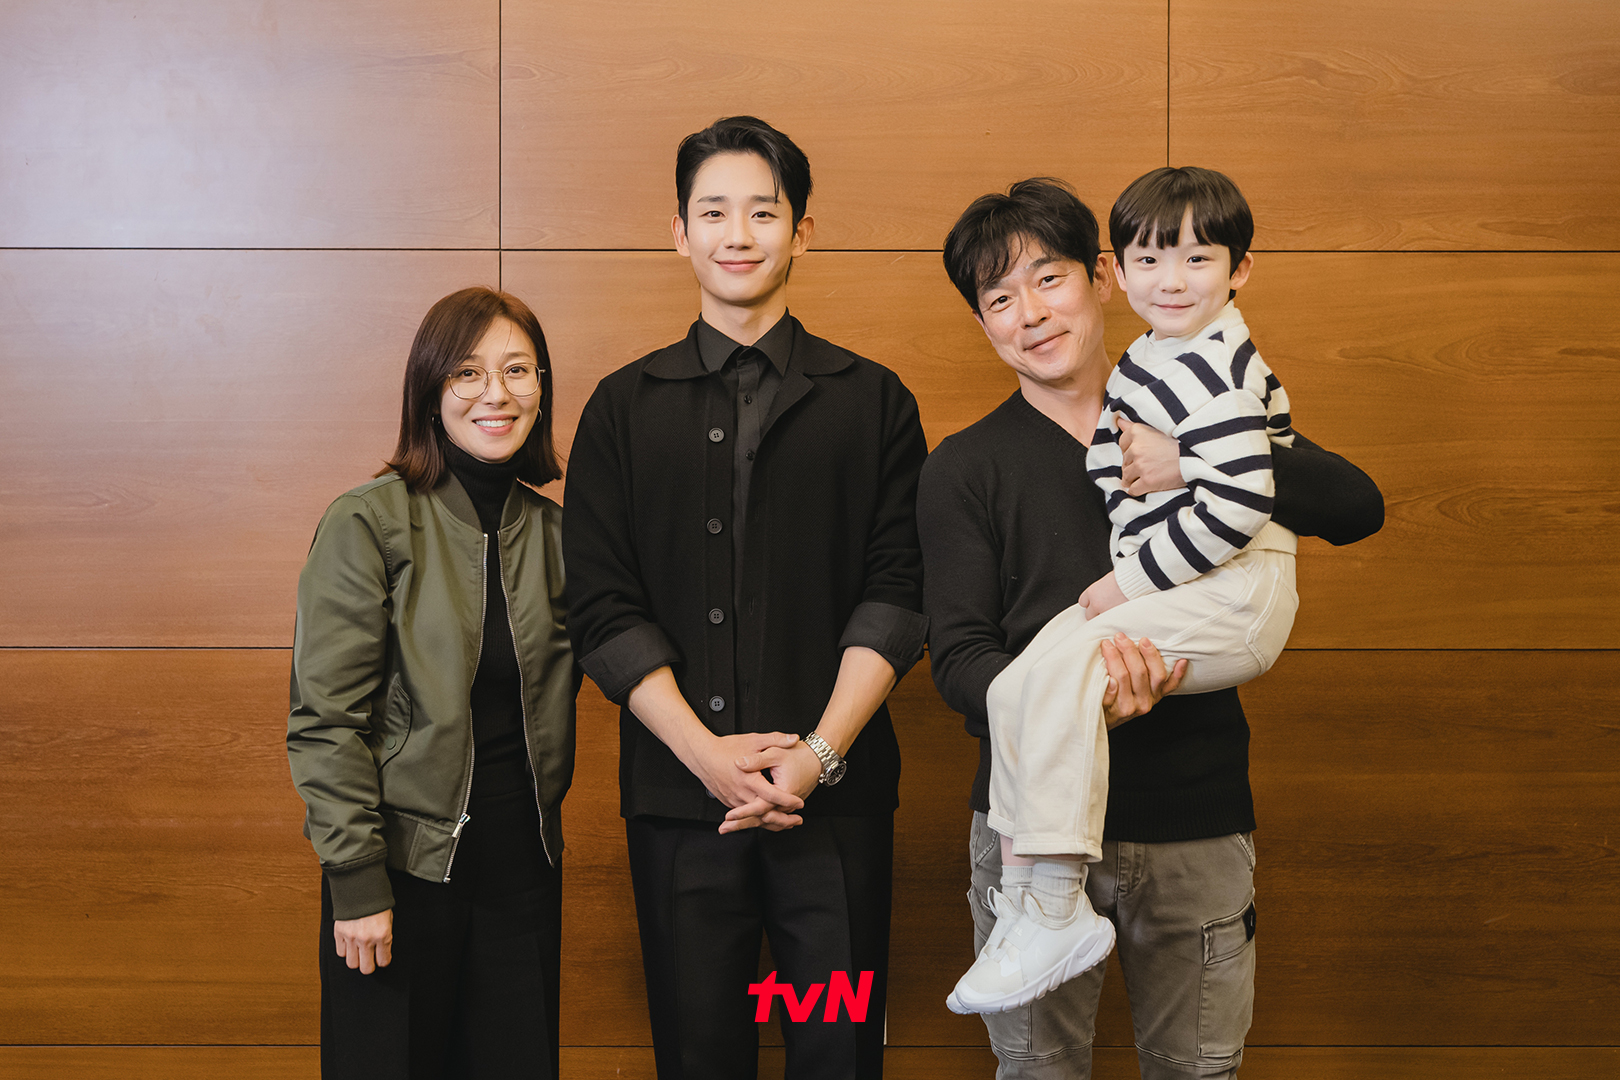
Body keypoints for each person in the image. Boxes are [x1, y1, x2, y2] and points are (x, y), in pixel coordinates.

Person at [919, 179, 1383, 1078]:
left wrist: (1188, 458)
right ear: (983, 324)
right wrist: (1087, 699)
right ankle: (1044, 913)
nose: (1030, 314)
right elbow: (961, 663)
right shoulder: (964, 467)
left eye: (1048, 280)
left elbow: (1355, 505)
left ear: (1103, 278)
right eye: (999, 299)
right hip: (1026, 834)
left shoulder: (1197, 392)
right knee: (1039, 1074)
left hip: (1190, 818)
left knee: (1197, 1070)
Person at [563, 115, 927, 1080]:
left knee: (835, 1052)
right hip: (683, 816)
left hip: (832, 817)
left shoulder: (874, 401)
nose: (738, 233)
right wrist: (706, 757)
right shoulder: (620, 408)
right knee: (700, 1054)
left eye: (762, 212)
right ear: (679, 232)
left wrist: (814, 756)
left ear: (801, 230)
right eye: (713, 211)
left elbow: (897, 594)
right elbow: (601, 608)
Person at [287, 287, 575, 1079]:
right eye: (467, 373)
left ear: (542, 388)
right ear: (429, 390)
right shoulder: (369, 523)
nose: (497, 393)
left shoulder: (556, 534)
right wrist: (355, 881)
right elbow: (325, 722)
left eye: (519, 369)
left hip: (524, 875)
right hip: (401, 876)